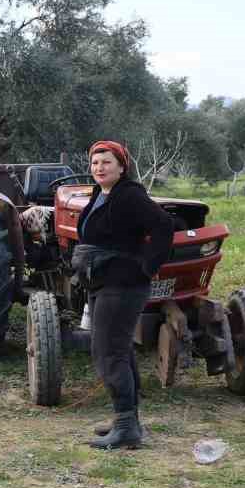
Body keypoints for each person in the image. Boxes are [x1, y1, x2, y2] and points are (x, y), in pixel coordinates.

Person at [73, 141, 174, 450]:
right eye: (95, 163)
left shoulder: (129, 195)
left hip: (123, 285)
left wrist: (148, 266)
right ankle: (126, 422)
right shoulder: (101, 194)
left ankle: (127, 427)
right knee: (120, 350)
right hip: (103, 282)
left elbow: (164, 225)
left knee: (108, 352)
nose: (99, 168)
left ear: (121, 166)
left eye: (106, 162)